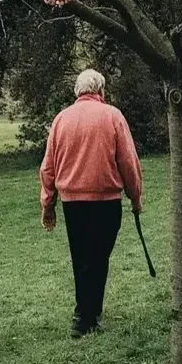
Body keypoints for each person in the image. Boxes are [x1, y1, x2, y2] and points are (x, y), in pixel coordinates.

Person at [40, 70, 144, 338]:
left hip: (72, 202)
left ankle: (83, 313)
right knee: (98, 257)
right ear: (101, 90)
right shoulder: (112, 116)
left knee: (81, 257)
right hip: (105, 200)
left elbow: (48, 167)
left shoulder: (61, 119)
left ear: (77, 91)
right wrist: (135, 196)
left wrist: (48, 203)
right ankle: (88, 314)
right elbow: (128, 162)